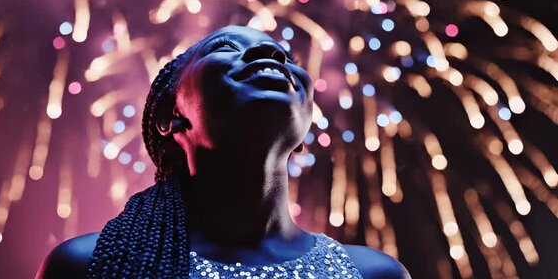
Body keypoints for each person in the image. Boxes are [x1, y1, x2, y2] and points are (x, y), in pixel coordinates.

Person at [36, 25, 411, 278]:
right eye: (226, 48)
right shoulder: (85, 267)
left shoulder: (375, 275)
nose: (269, 52)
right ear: (170, 116)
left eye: (287, 59)